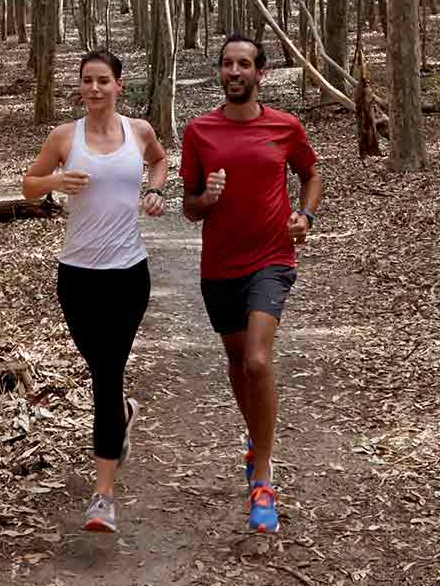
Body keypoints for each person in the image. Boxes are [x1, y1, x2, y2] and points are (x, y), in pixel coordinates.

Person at [21, 49, 170, 533]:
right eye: (87, 80)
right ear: (80, 86)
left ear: (118, 86)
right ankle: (122, 414)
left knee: (106, 373)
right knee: (102, 370)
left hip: (129, 273)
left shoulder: (139, 131)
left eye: (103, 80)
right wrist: (56, 180)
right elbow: (28, 186)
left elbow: (161, 160)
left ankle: (103, 497)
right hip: (77, 276)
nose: (94, 88)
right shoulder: (65, 137)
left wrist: (156, 190)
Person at [179, 33, 322, 534]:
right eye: (227, 64)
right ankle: (254, 439)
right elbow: (188, 205)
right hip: (219, 266)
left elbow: (310, 174)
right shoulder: (200, 131)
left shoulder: (285, 127)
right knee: (238, 362)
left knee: (259, 360)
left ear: (260, 73)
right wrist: (207, 200)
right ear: (220, 73)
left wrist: (304, 214)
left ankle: (262, 476)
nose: (234, 71)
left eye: (244, 64)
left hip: (272, 259)